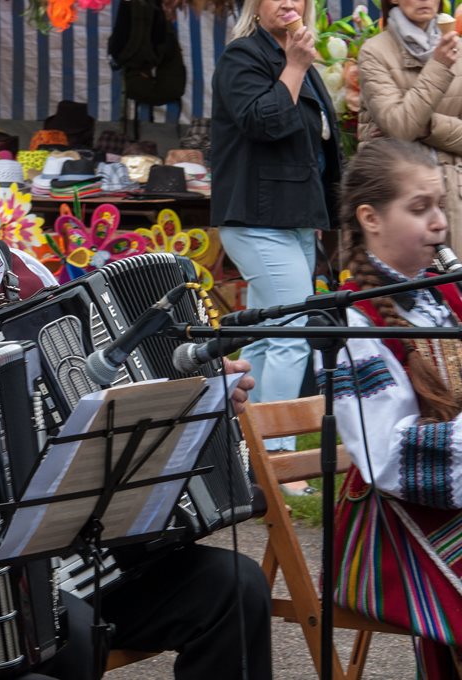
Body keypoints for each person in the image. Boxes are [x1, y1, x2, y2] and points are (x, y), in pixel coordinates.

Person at [0, 85, 273, 680]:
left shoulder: (27, 273)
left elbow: (95, 388)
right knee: (64, 642)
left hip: (85, 549)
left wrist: (198, 389)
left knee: (234, 586)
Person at [323, 137, 462, 678]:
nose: (439, 224)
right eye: (420, 208)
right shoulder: (353, 322)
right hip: (396, 520)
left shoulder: (443, 294)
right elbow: (387, 456)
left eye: (440, 207)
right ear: (370, 218)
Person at [210, 0, 342, 491]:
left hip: (293, 218)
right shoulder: (242, 56)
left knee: (270, 336)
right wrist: (295, 66)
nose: (288, 2)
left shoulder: (298, 57)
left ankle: (251, 453)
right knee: (292, 334)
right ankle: (281, 460)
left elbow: (315, 147)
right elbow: (263, 123)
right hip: (256, 217)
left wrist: (319, 212)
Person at [356, 0, 462, 247]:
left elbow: (404, 123)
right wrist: (439, 65)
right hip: (398, 198)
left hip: (455, 196)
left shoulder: (458, 50)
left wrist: (425, 126)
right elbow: (401, 128)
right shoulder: (374, 51)